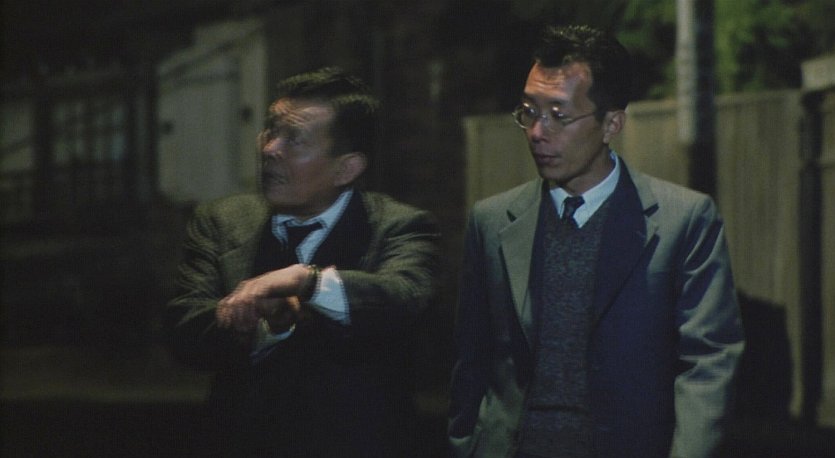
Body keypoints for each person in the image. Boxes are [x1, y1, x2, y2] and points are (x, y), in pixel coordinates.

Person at [448, 25, 744, 458]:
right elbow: (470, 359)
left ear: (611, 124)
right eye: (529, 111)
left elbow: (709, 360)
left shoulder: (683, 220)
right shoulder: (491, 221)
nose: (537, 131)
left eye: (559, 115)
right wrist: (464, 445)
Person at [165, 67, 441, 458]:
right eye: (270, 131)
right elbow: (183, 327)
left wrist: (306, 281)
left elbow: (405, 299)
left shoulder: (399, 227)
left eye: (294, 139)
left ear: (346, 168)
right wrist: (258, 325)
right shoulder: (223, 222)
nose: (270, 149)